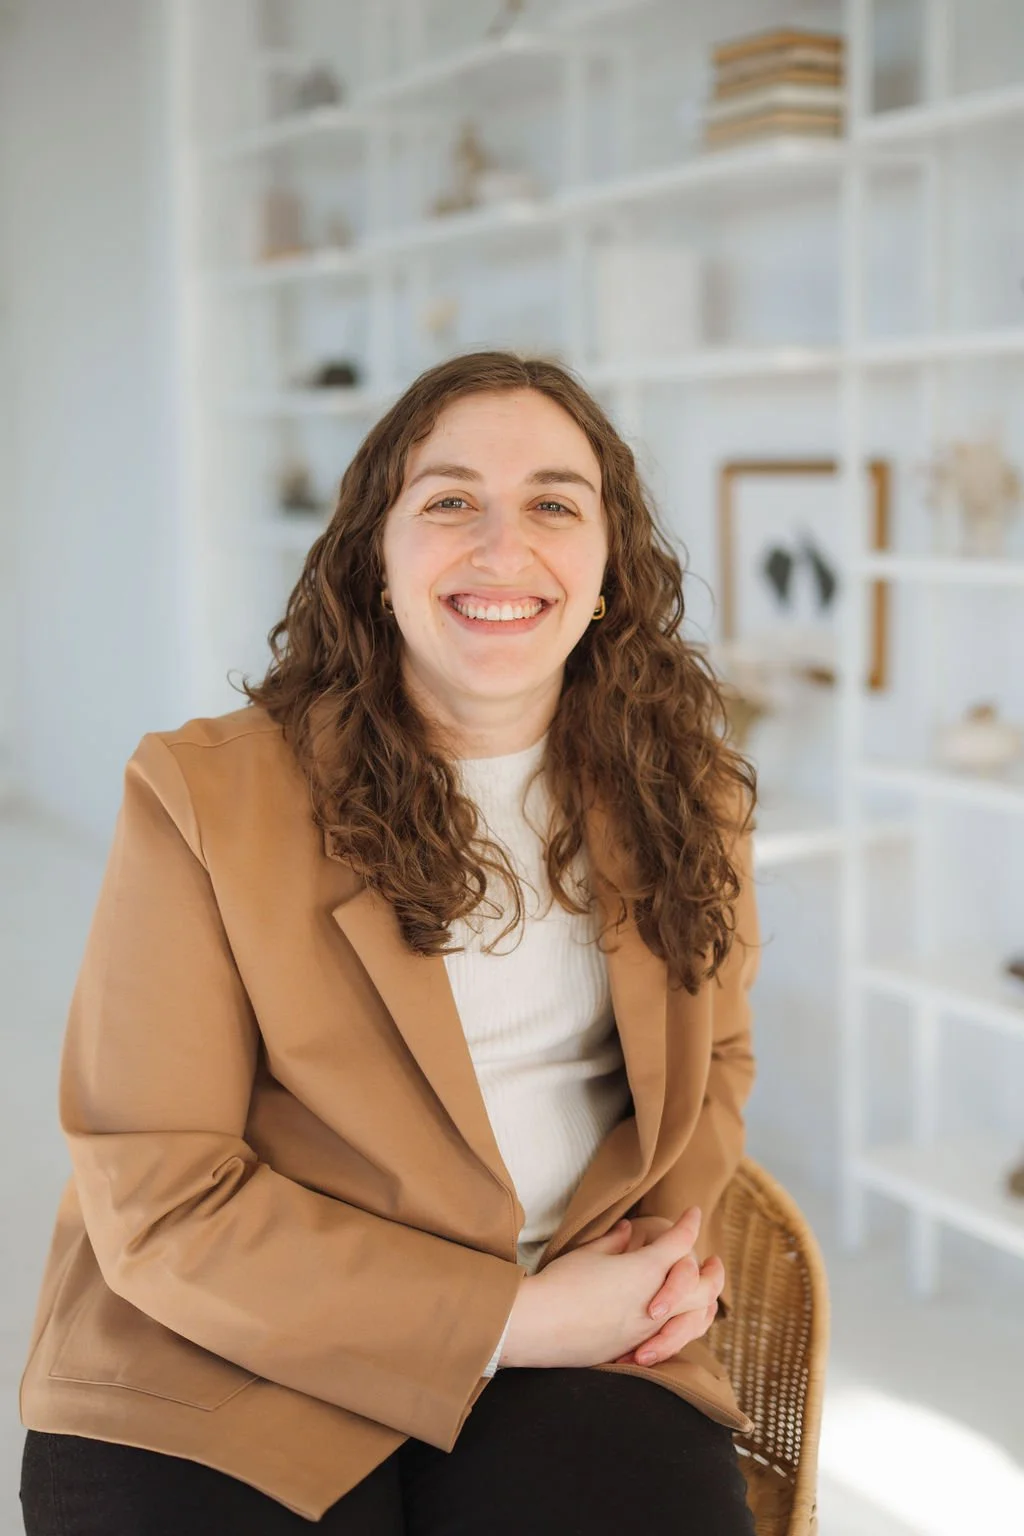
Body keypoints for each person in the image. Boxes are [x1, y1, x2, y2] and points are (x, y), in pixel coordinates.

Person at [20, 350, 762, 1533]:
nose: (502, 546)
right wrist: (510, 1322)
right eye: (450, 500)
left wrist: (659, 1261)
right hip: (235, 1339)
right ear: (377, 555)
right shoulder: (206, 796)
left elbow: (711, 1066)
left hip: (572, 1328)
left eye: (554, 505)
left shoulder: (690, 793)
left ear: (609, 566)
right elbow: (160, 1192)